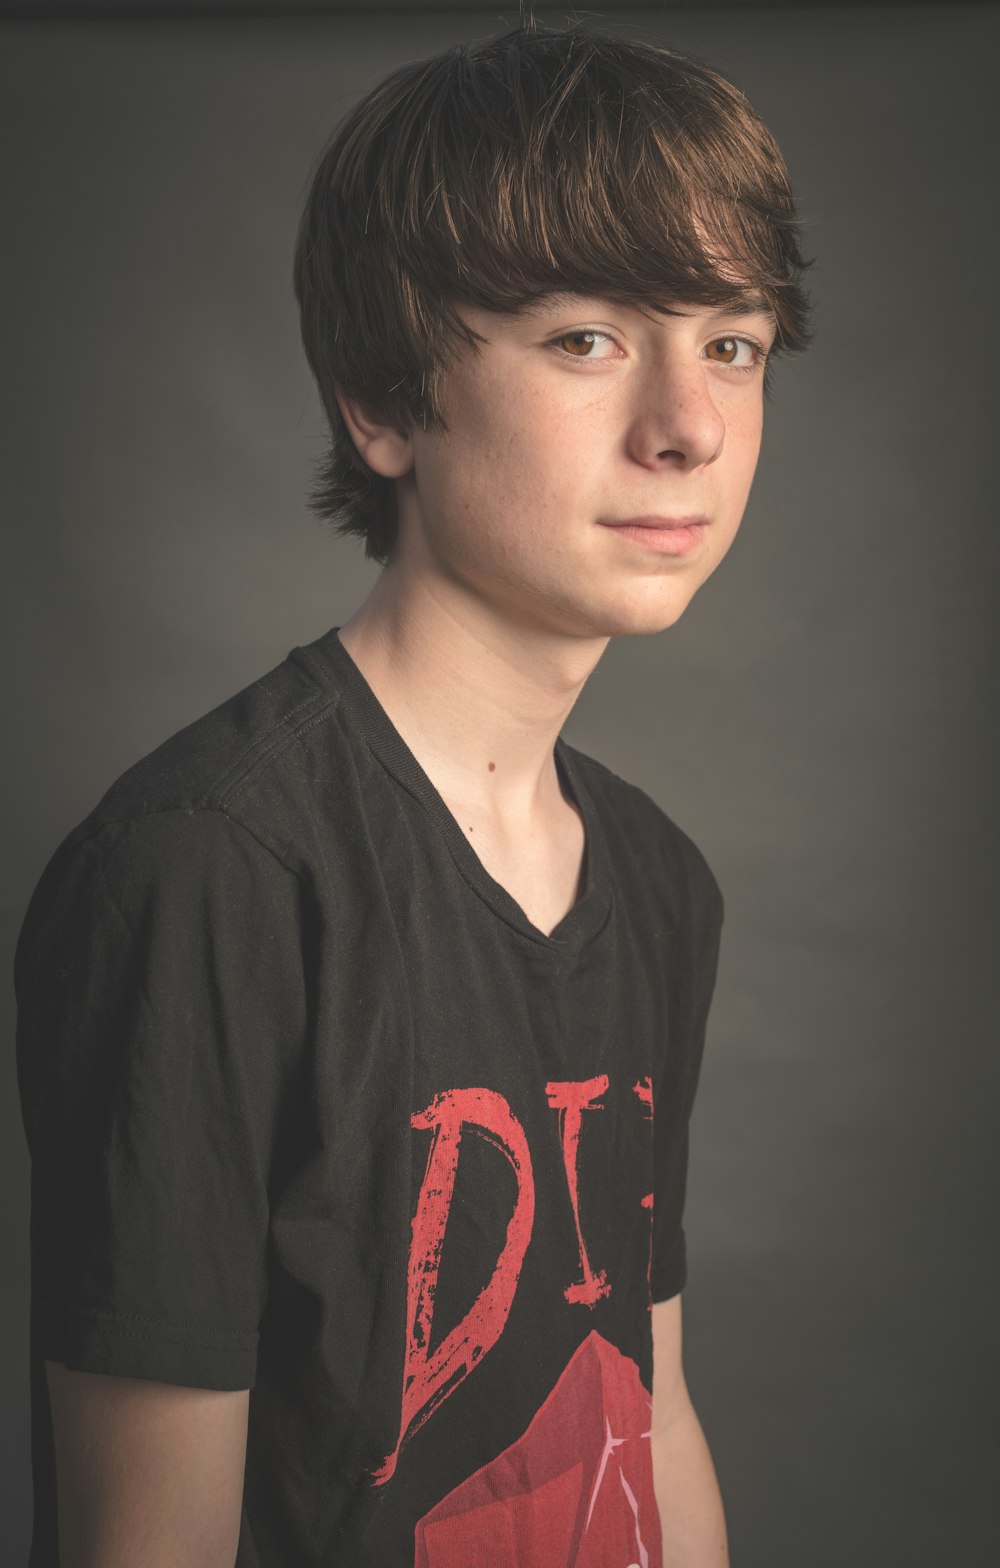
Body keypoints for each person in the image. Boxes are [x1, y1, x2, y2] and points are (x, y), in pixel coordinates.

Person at [15, 12, 811, 1567]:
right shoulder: (207, 872)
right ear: (380, 402)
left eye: (733, 341)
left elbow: (650, 1413)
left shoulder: (659, 879)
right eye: (587, 336)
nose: (691, 426)